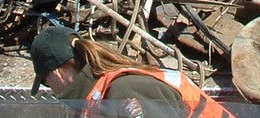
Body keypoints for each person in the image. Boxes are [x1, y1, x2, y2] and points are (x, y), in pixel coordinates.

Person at [29, 26, 233, 118]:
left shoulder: (126, 91)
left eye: (45, 83)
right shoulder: (98, 98)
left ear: (55, 74)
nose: (53, 91)